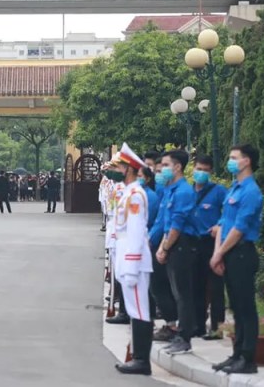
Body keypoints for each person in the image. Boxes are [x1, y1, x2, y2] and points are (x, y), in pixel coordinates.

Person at [210, 144, 263, 375]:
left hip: (242, 252)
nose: (230, 161)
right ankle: (237, 353)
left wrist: (220, 252)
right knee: (236, 307)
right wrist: (218, 252)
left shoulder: (251, 191)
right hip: (229, 252)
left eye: (234, 158)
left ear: (247, 161)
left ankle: (248, 358)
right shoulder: (234, 189)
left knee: (246, 308)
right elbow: (223, 223)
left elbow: (240, 228)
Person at [113, 144, 153, 376]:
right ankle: (138, 357)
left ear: (129, 169)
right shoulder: (129, 192)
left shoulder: (136, 195)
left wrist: (131, 263)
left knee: (139, 310)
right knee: (135, 308)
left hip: (134, 262)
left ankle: (141, 360)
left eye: (119, 166)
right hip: (128, 259)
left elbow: (137, 231)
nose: (117, 170)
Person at [156, 150, 198, 355]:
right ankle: (180, 335)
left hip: (181, 245)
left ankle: (184, 336)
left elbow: (177, 225)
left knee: (183, 295)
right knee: (177, 293)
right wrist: (162, 247)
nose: (162, 169)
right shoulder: (171, 190)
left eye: (165, 165)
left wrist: (164, 247)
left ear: (177, 167)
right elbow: (166, 224)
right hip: (173, 244)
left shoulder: (183, 191)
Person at [190, 155, 228, 340]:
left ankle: (216, 327)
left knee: (215, 287)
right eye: (199, 169)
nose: (201, 173)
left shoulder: (218, 191)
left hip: (211, 242)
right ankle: (198, 325)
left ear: (211, 172)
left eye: (205, 170)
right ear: (193, 170)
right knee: (195, 286)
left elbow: (229, 212)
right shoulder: (189, 192)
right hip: (192, 242)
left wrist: (219, 225)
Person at [148, 159, 179, 342]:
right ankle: (171, 324)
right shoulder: (167, 191)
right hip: (160, 243)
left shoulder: (179, 192)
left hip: (173, 245)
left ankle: (175, 327)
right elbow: (161, 222)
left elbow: (173, 224)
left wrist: (162, 246)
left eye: (163, 168)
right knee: (158, 286)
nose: (159, 173)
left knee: (172, 289)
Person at [104, 154, 130, 325]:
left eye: (116, 168)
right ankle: (118, 299)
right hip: (115, 232)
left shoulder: (127, 190)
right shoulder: (118, 186)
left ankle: (122, 306)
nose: (112, 171)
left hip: (123, 238)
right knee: (117, 272)